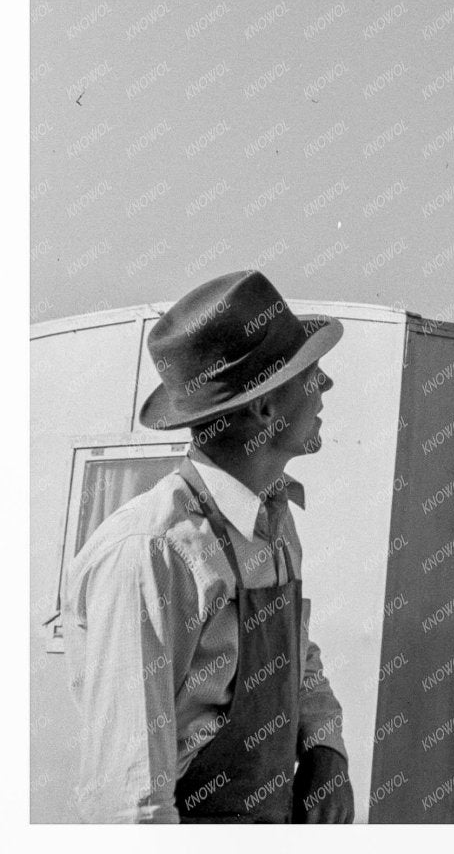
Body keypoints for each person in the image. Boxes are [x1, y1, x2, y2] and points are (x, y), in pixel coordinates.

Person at [64, 270, 353, 823]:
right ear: (265, 410)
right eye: (310, 374)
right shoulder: (153, 552)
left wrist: (324, 746)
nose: (327, 386)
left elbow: (299, 654)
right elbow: (129, 803)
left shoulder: (273, 517)